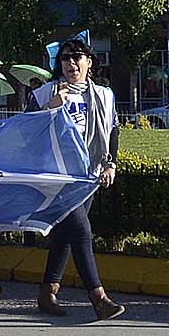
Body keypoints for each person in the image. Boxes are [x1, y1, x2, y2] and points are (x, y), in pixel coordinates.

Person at [31, 38, 127, 321]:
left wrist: (110, 163)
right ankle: (98, 297)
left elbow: (112, 132)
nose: (71, 64)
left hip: (90, 173)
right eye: (65, 59)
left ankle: (47, 292)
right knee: (82, 231)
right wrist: (51, 106)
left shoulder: (103, 95)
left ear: (89, 62)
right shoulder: (45, 93)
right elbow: (24, 130)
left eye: (77, 58)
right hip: (58, 176)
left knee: (66, 235)